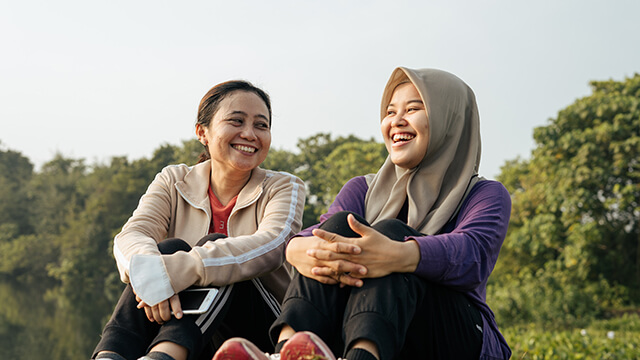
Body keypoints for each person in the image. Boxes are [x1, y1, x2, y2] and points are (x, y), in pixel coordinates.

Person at [212, 67, 512, 360]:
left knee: (392, 232)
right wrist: (298, 247)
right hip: (352, 325)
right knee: (340, 228)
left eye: (413, 109)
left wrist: (399, 253)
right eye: (390, 112)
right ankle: (288, 349)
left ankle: (364, 354)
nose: (397, 121)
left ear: (450, 118)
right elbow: (318, 233)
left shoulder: (484, 194)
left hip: (451, 334)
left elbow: (472, 255)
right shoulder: (362, 189)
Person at [91, 80, 306, 360]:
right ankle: (111, 354)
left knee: (219, 251)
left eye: (261, 125)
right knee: (166, 249)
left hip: (257, 329)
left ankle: (165, 356)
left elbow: (273, 246)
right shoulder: (173, 180)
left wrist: (180, 271)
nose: (250, 134)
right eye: (237, 121)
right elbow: (130, 237)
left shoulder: (283, 186)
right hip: (182, 321)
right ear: (202, 132)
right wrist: (154, 278)